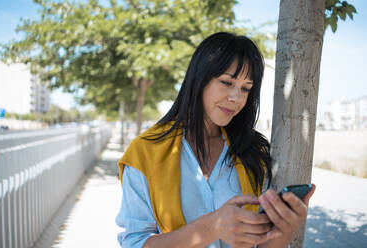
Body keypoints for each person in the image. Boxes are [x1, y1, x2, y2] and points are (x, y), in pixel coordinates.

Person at [116, 32, 315, 248]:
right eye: (227, 82)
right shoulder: (144, 152)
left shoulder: (254, 152)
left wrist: (283, 232)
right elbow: (135, 242)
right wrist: (211, 227)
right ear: (199, 79)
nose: (236, 98)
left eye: (245, 88)